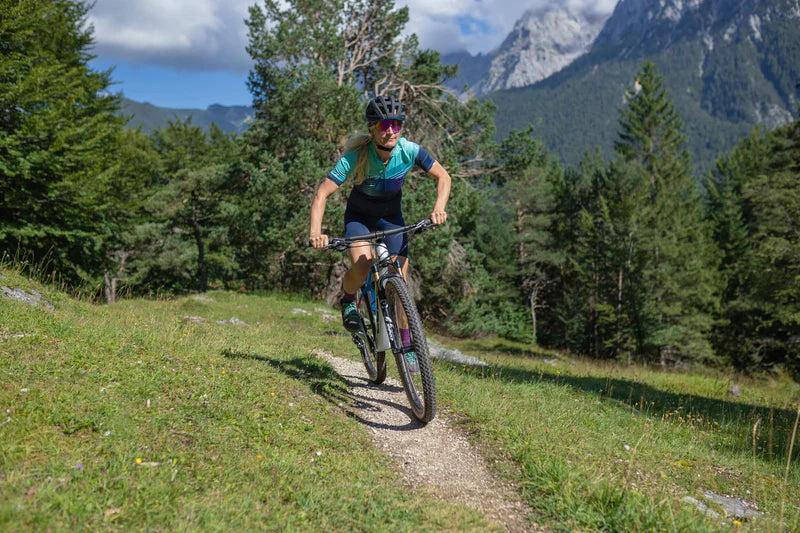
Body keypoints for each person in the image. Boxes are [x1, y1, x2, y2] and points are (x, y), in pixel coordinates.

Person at [309, 95, 451, 369]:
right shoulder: (356, 157)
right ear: (373, 128)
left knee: (401, 283)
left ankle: (408, 344)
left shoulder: (409, 150)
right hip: (359, 217)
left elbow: (444, 177)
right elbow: (321, 195)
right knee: (362, 267)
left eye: (396, 124)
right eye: (385, 124)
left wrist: (439, 208)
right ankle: (349, 299)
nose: (390, 131)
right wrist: (317, 232)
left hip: (391, 218)